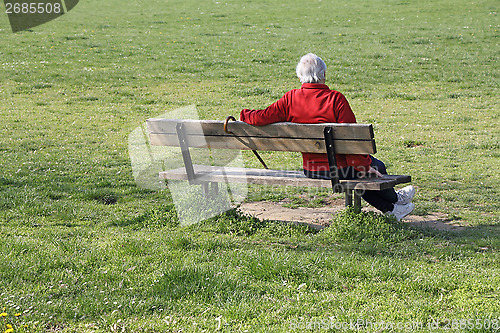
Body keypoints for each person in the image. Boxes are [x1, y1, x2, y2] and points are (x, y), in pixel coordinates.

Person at [239, 53, 415, 221]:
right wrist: (363, 166)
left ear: (300, 77)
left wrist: (244, 114)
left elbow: (261, 117)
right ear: (323, 75)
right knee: (375, 167)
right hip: (340, 170)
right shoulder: (336, 99)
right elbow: (352, 143)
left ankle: (392, 209)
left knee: (363, 173)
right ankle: (395, 200)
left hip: (312, 170)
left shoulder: (290, 98)